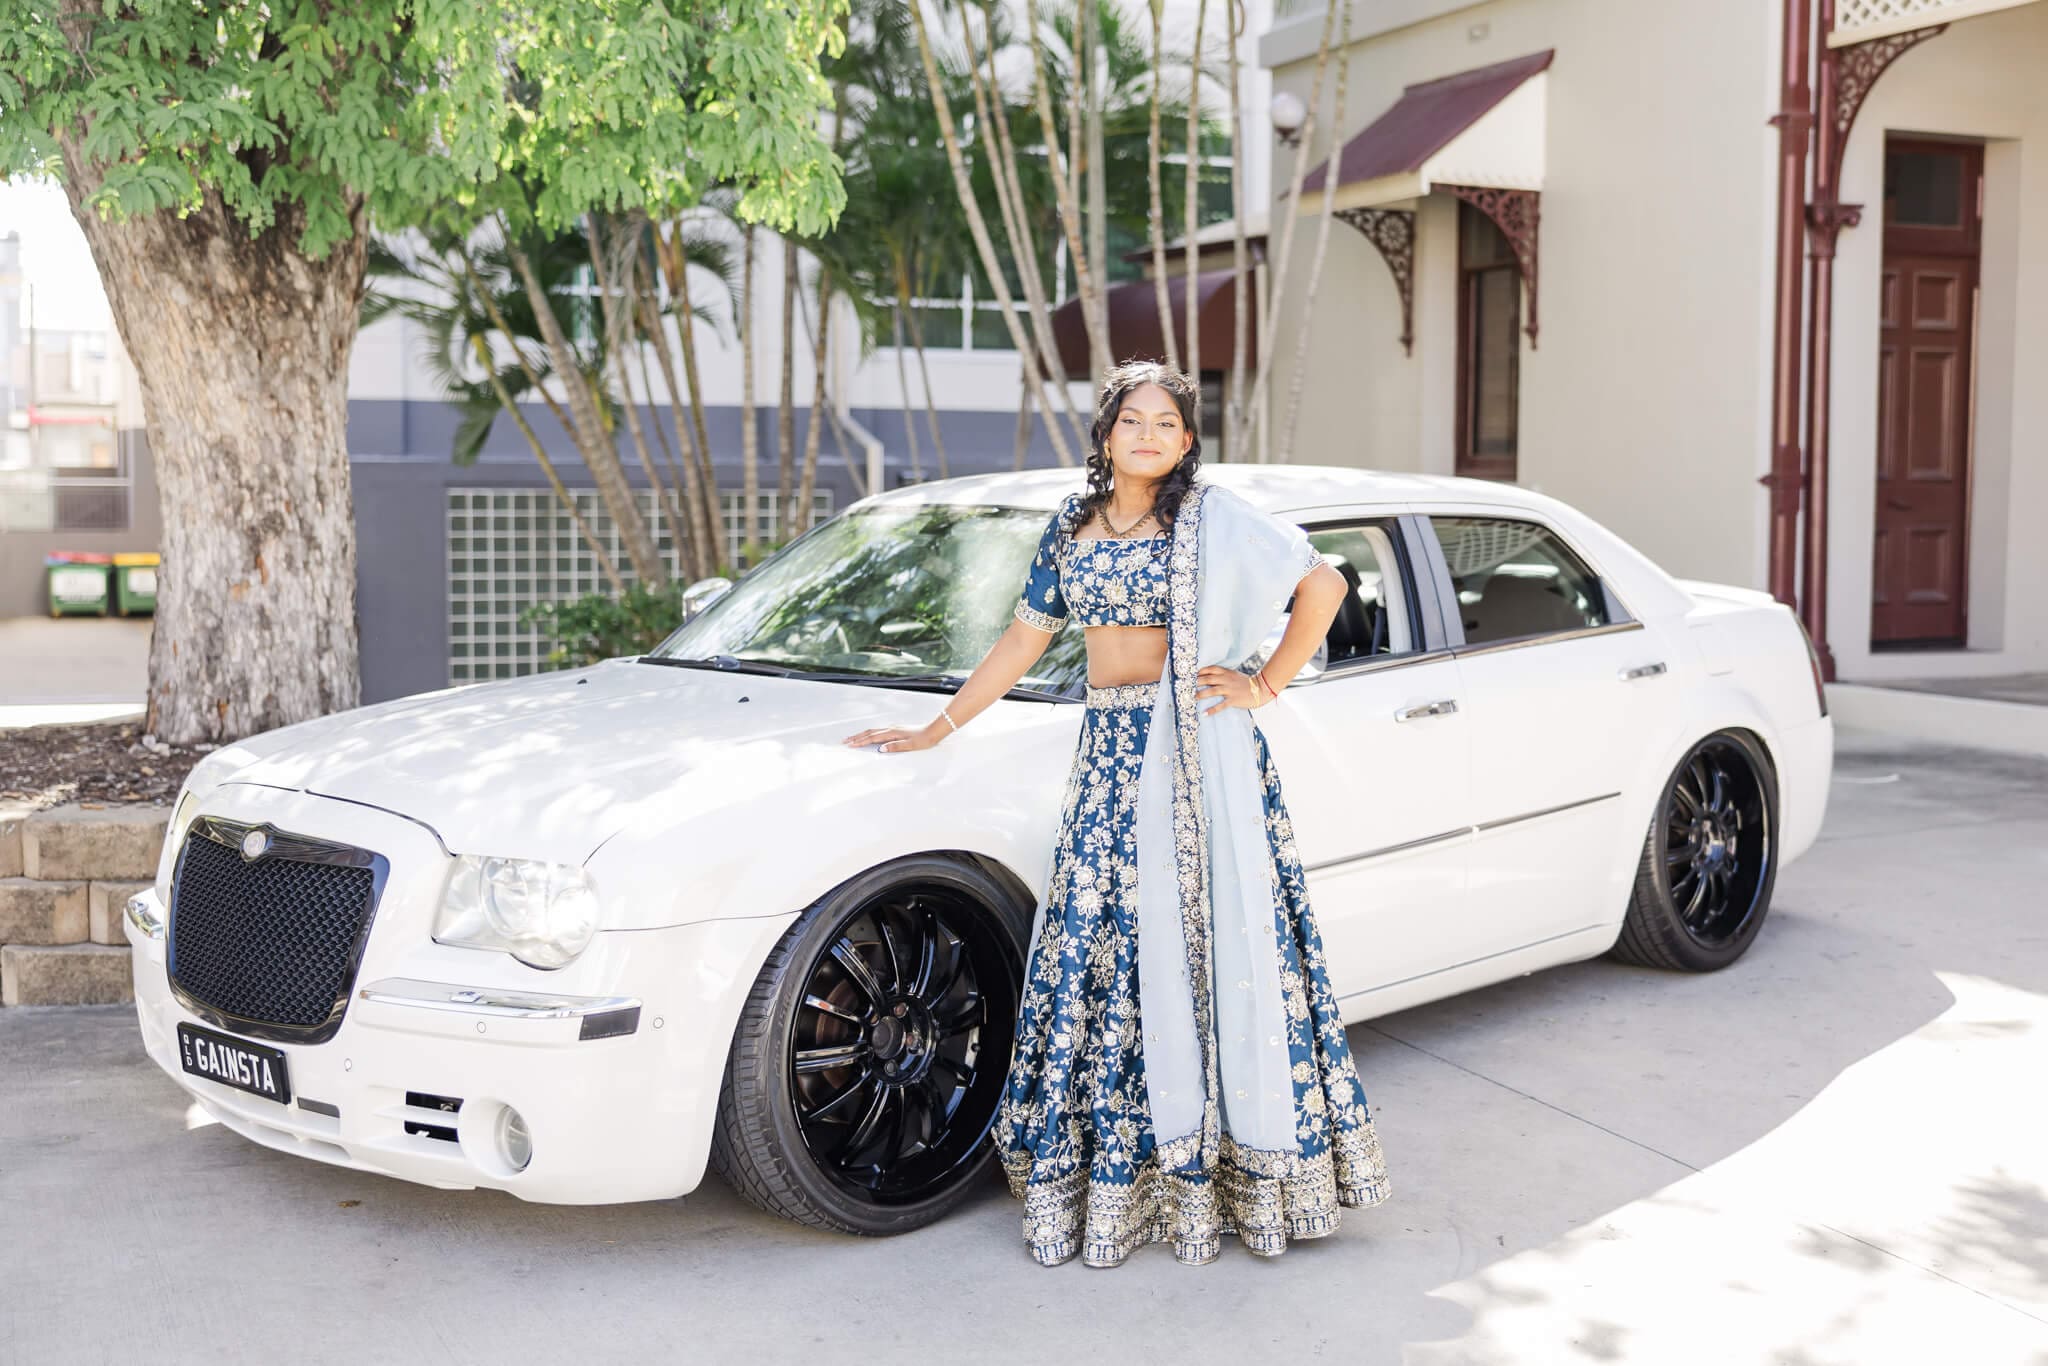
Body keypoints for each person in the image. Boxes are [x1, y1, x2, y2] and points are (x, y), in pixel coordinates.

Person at [842, 360, 1390, 1267]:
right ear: (1105, 436)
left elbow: (1322, 585)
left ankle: (1224, 1168)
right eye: (1131, 419)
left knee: (1207, 941)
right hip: (1111, 751)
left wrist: (1264, 684)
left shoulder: (1209, 517)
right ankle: (1121, 1163)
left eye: (1166, 423)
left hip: (1198, 752)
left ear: (1186, 441)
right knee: (1114, 946)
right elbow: (1026, 636)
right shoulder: (1072, 523)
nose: (1147, 434)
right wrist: (937, 726)